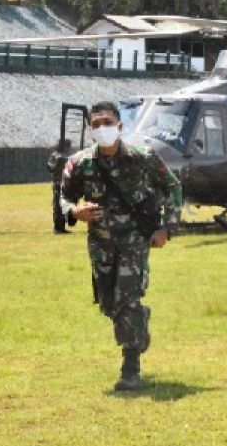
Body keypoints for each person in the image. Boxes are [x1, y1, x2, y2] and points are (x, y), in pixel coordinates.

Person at [60, 101, 183, 392]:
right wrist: (74, 212)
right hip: (100, 243)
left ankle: (130, 369)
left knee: (126, 299)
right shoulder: (79, 164)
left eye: (108, 122)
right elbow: (63, 196)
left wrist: (167, 227)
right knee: (109, 303)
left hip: (134, 241)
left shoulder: (143, 157)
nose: (103, 128)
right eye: (96, 124)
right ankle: (140, 322)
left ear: (120, 126)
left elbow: (173, 186)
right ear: (90, 130)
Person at [47, 139, 76, 233]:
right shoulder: (55, 156)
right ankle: (57, 227)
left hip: (67, 183)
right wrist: (59, 161)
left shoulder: (69, 157)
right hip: (58, 183)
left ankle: (62, 226)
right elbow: (50, 168)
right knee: (58, 206)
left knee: (65, 205)